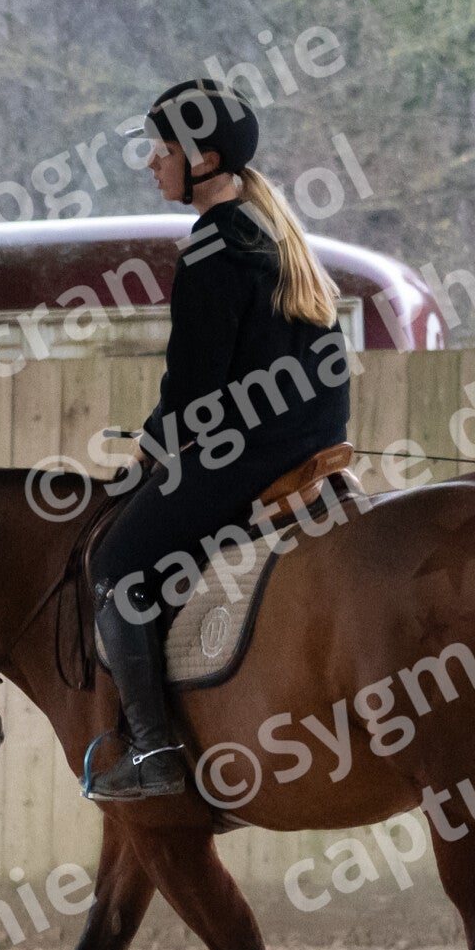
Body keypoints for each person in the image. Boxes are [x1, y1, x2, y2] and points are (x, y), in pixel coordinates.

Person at [84, 78, 353, 801]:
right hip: (309, 448)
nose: (152, 163)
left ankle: (155, 751)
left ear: (202, 160)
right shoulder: (274, 234)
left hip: (244, 458)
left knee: (115, 564)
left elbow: (194, 388)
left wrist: (148, 450)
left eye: (162, 150)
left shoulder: (211, 246)